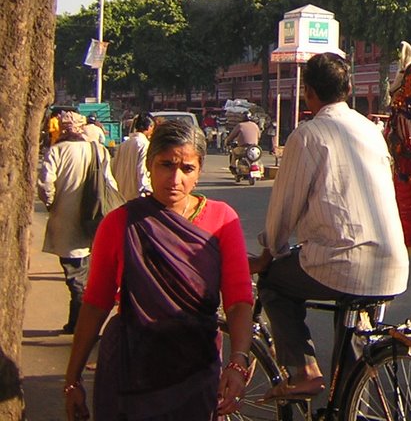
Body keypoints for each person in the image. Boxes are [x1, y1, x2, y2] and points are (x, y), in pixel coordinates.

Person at [62, 119, 254, 421]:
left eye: (187, 169)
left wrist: (238, 362)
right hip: (130, 371)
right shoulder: (120, 223)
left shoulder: (222, 220)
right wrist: (72, 380)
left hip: (197, 368)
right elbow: (96, 302)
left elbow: (238, 299)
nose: (174, 178)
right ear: (150, 165)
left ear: (199, 170)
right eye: (166, 165)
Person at [251, 52, 409, 399]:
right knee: (352, 329)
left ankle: (304, 370)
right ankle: (349, 399)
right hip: (392, 263)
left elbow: (284, 209)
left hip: (343, 262)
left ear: (308, 92)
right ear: (349, 88)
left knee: (275, 284)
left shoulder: (308, 135)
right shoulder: (371, 130)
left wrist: (269, 252)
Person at [37, 111, 117, 334]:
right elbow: (110, 184)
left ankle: (81, 324)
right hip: (96, 220)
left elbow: (45, 185)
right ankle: (79, 323)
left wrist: (52, 204)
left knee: (75, 275)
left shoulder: (56, 151)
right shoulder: (98, 150)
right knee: (86, 272)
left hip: (66, 221)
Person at [110, 113, 154, 201]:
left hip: (121, 196)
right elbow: (142, 170)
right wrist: (147, 191)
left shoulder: (123, 145)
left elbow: (113, 169)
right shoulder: (144, 145)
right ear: (149, 127)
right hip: (136, 197)